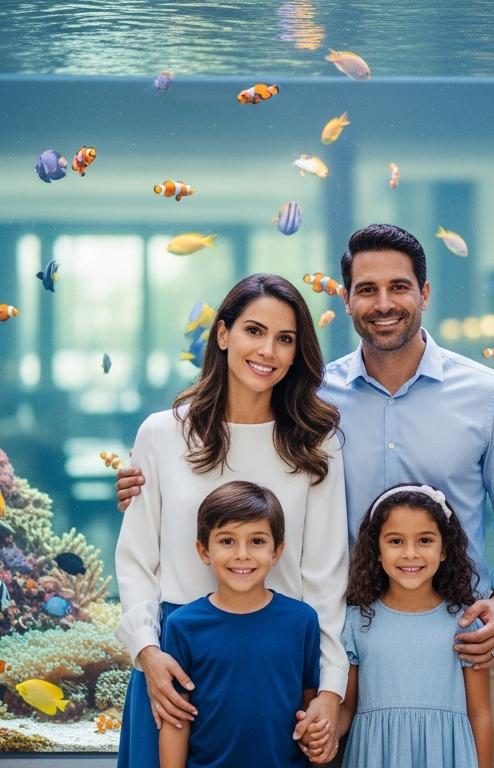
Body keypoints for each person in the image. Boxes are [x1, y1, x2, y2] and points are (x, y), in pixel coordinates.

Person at [120, 224, 494, 767]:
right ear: (345, 299)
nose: (384, 302)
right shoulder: (313, 401)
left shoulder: (485, 395)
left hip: (451, 644)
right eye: (367, 289)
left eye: (400, 286)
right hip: (344, 647)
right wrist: (143, 482)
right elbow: (196, 464)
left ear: (425, 291)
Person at [116, 273, 348, 768]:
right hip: (173, 665)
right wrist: (147, 654)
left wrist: (330, 689)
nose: (268, 350)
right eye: (254, 331)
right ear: (222, 335)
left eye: (285, 339)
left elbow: (326, 576)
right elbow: (136, 560)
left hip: (279, 668)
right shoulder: (161, 433)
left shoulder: (316, 441)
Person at [160, 481, 322, 768]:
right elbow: (176, 719)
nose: (242, 554)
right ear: (203, 551)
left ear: (277, 551)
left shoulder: (302, 620)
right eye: (227, 541)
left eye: (257, 541)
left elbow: (309, 709)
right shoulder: (182, 625)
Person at [337, 483, 492, 768]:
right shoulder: (355, 622)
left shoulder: (466, 623)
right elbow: (346, 709)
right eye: (396, 541)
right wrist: (321, 732)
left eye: (425, 540)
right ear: (377, 550)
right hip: (376, 757)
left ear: (444, 548)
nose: (410, 553)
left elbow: (480, 714)